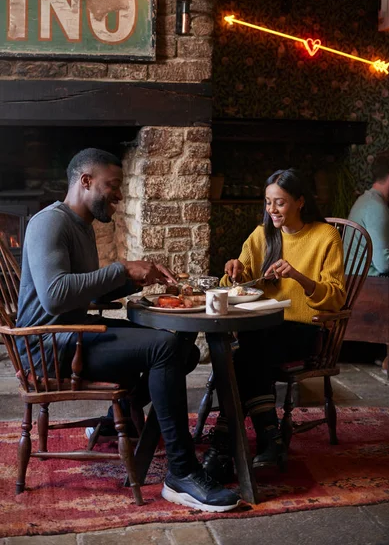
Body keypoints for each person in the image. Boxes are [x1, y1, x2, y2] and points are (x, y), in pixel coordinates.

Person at [17, 147, 239, 512]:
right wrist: (122, 268)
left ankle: (113, 421)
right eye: (113, 185)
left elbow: (85, 288)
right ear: (85, 181)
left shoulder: (82, 226)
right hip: (47, 345)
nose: (119, 194)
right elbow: (56, 297)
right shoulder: (49, 222)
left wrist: (139, 279)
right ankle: (180, 474)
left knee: (183, 350)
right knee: (165, 348)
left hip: (72, 334)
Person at [203, 168, 346, 483]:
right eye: (268, 203)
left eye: (279, 203)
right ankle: (269, 438)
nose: (272, 210)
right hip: (264, 330)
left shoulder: (325, 236)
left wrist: (297, 275)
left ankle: (224, 441)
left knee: (245, 353)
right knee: (251, 348)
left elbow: (335, 299)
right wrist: (234, 271)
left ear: (299, 202)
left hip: (307, 329)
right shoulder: (261, 235)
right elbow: (237, 284)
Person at [348, 150, 389, 377]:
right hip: (367, 284)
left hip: (356, 279)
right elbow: (385, 263)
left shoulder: (365, 200)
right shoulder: (378, 208)